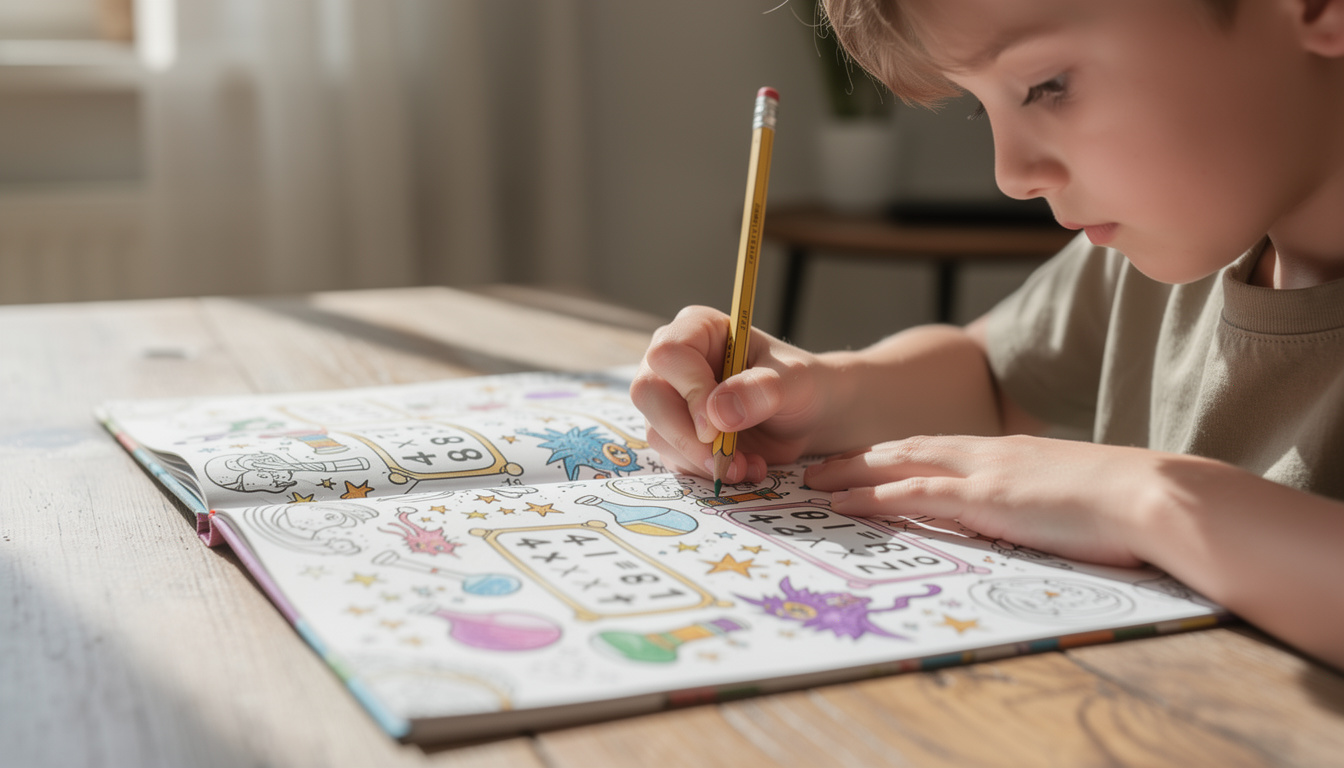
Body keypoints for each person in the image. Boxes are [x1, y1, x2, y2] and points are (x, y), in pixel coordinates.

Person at [631, 0, 1344, 669]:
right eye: (981, 104)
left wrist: (1143, 498)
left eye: (1047, 86)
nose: (1011, 175)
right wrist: (820, 395)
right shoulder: (1156, 257)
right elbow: (994, 377)